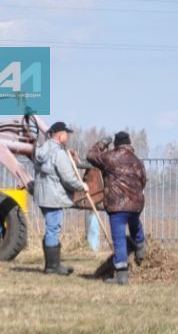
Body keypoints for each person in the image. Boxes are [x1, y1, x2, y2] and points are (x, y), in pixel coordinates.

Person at [88, 131, 147, 286]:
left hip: (117, 206)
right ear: (129, 143)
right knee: (135, 226)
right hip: (135, 205)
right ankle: (141, 248)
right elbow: (143, 181)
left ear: (116, 144)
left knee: (119, 240)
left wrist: (101, 143)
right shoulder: (137, 160)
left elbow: (90, 155)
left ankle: (121, 276)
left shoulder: (109, 157)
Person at [32, 121, 85, 275]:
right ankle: (52, 267)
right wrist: (82, 186)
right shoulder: (58, 154)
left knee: (51, 227)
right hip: (53, 196)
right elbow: (68, 178)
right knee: (53, 228)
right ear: (60, 135)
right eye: (66, 133)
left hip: (42, 195)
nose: (67, 136)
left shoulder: (41, 150)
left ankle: (53, 264)